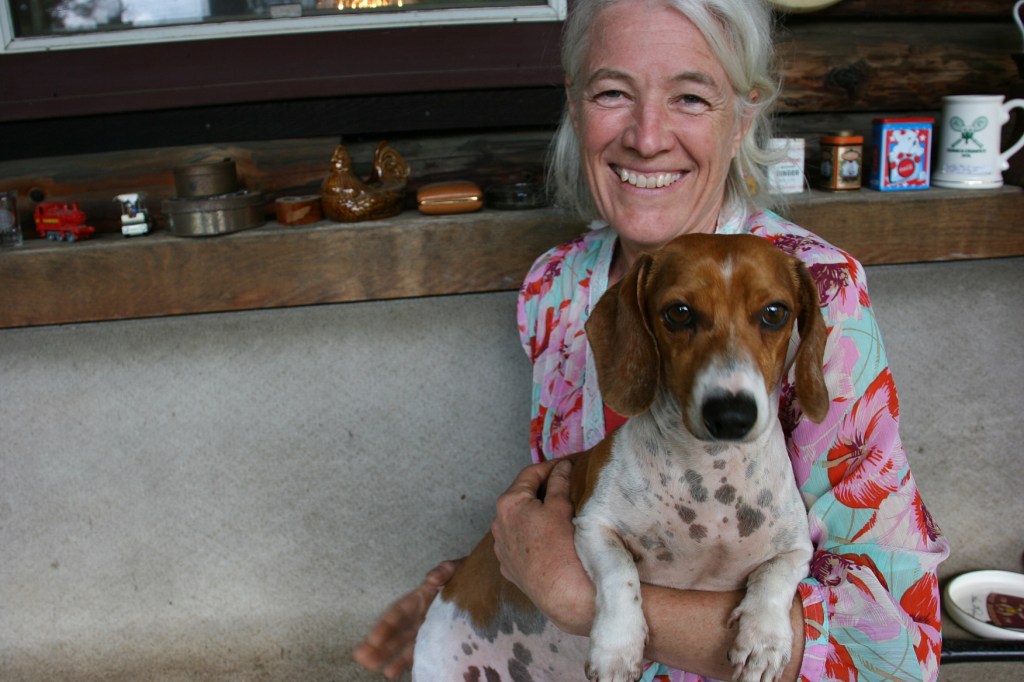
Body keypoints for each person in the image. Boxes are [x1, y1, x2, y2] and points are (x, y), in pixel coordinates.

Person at [354, 0, 950, 679]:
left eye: (691, 96)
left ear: (743, 118)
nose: (646, 135)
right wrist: (487, 583)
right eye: (612, 92)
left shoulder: (818, 293)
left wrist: (578, 601)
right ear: (576, 108)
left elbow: (897, 655)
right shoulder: (556, 287)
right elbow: (607, 511)